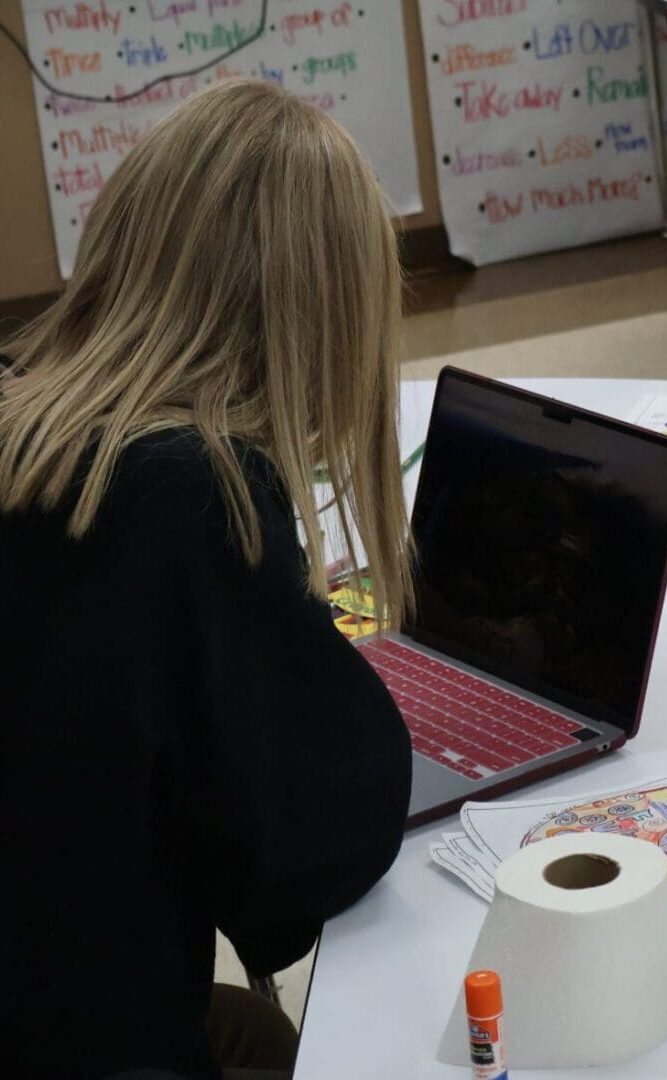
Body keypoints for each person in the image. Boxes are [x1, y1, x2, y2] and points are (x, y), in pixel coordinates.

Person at [0, 82, 414, 1079]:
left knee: (259, 1031)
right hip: (82, 1046)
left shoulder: (30, 421)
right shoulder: (179, 496)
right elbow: (305, 866)